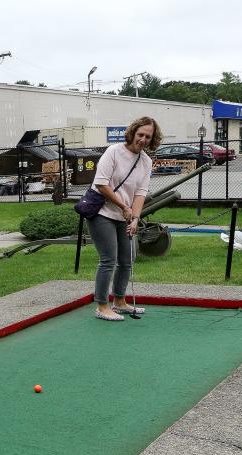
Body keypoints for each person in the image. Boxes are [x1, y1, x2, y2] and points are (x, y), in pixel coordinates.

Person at [87, 116, 161, 321]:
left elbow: (140, 192)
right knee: (109, 259)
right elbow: (102, 184)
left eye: (148, 136)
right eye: (140, 134)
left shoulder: (146, 161)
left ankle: (119, 301)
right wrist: (123, 206)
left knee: (128, 259)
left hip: (125, 215)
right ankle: (102, 306)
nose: (143, 139)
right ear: (132, 133)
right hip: (102, 212)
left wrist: (135, 218)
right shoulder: (114, 152)